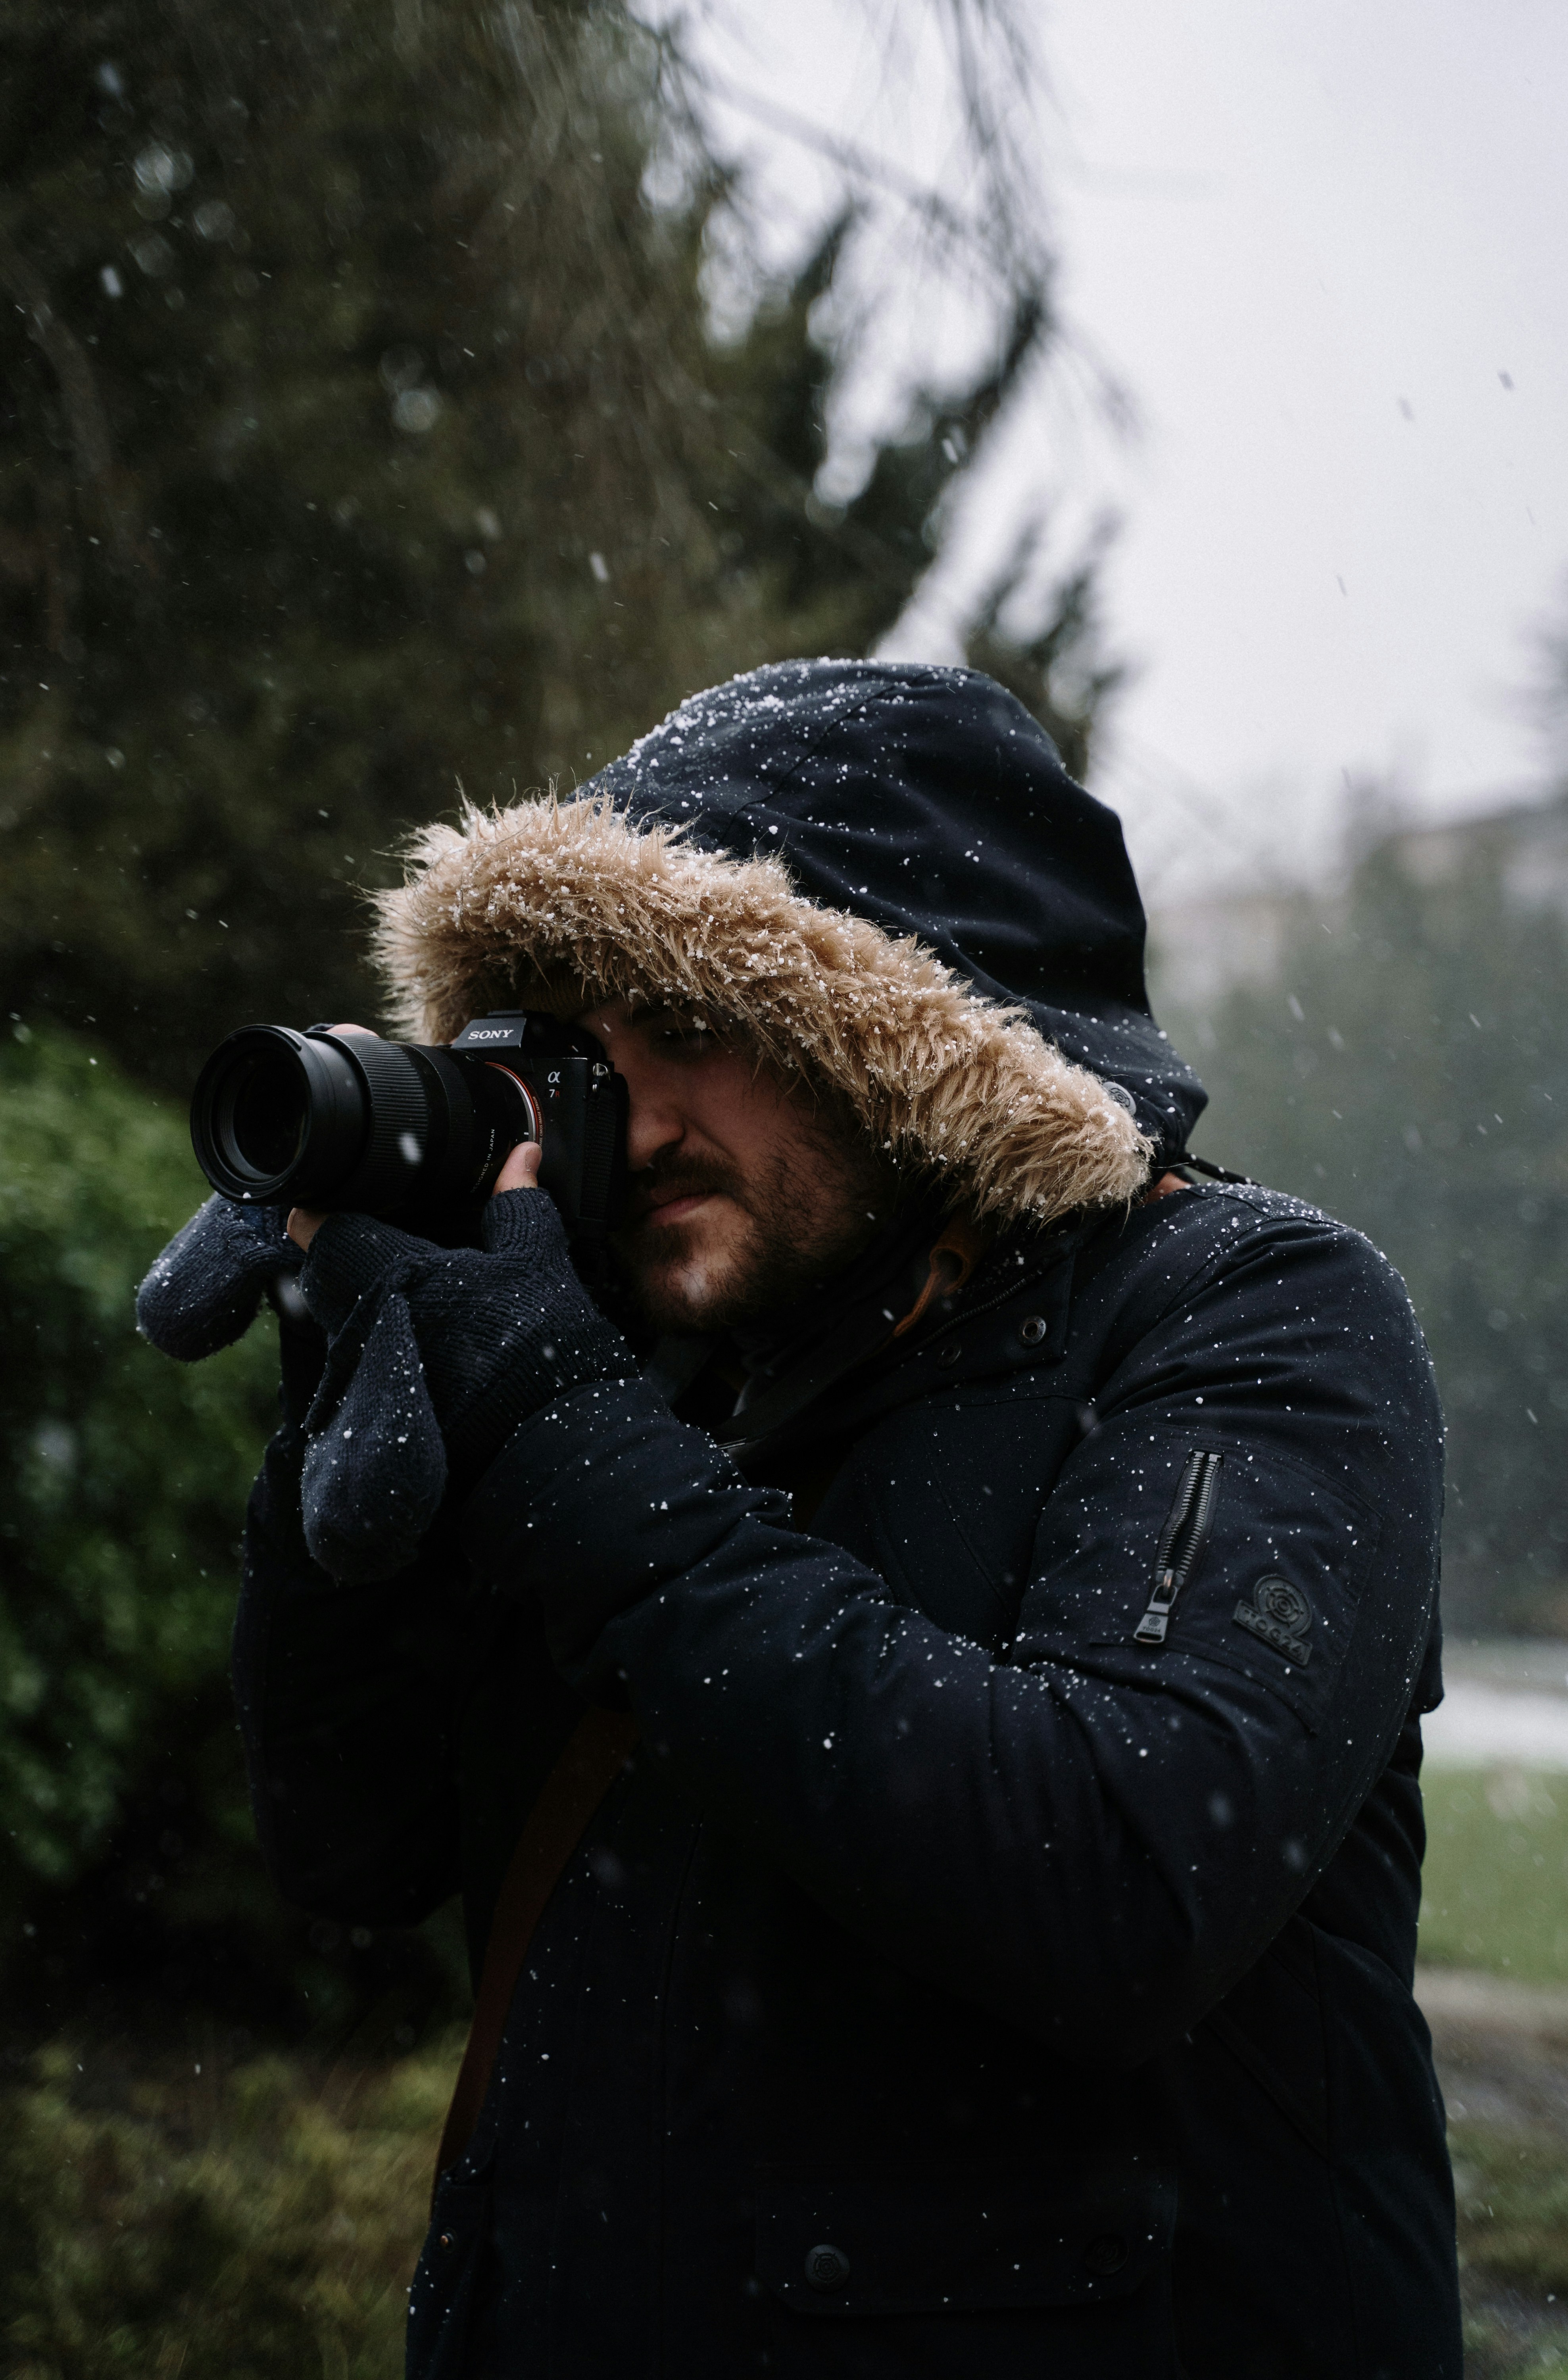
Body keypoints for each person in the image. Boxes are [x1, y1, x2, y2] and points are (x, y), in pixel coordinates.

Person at [141, 660, 1460, 2376]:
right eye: (575, 1045)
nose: (634, 1111)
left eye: (688, 1024)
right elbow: (352, 1849)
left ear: (901, 1038)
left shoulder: (1251, 1314)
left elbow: (1119, 1887)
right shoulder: (648, 1373)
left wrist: (555, 1429)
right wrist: (346, 1427)